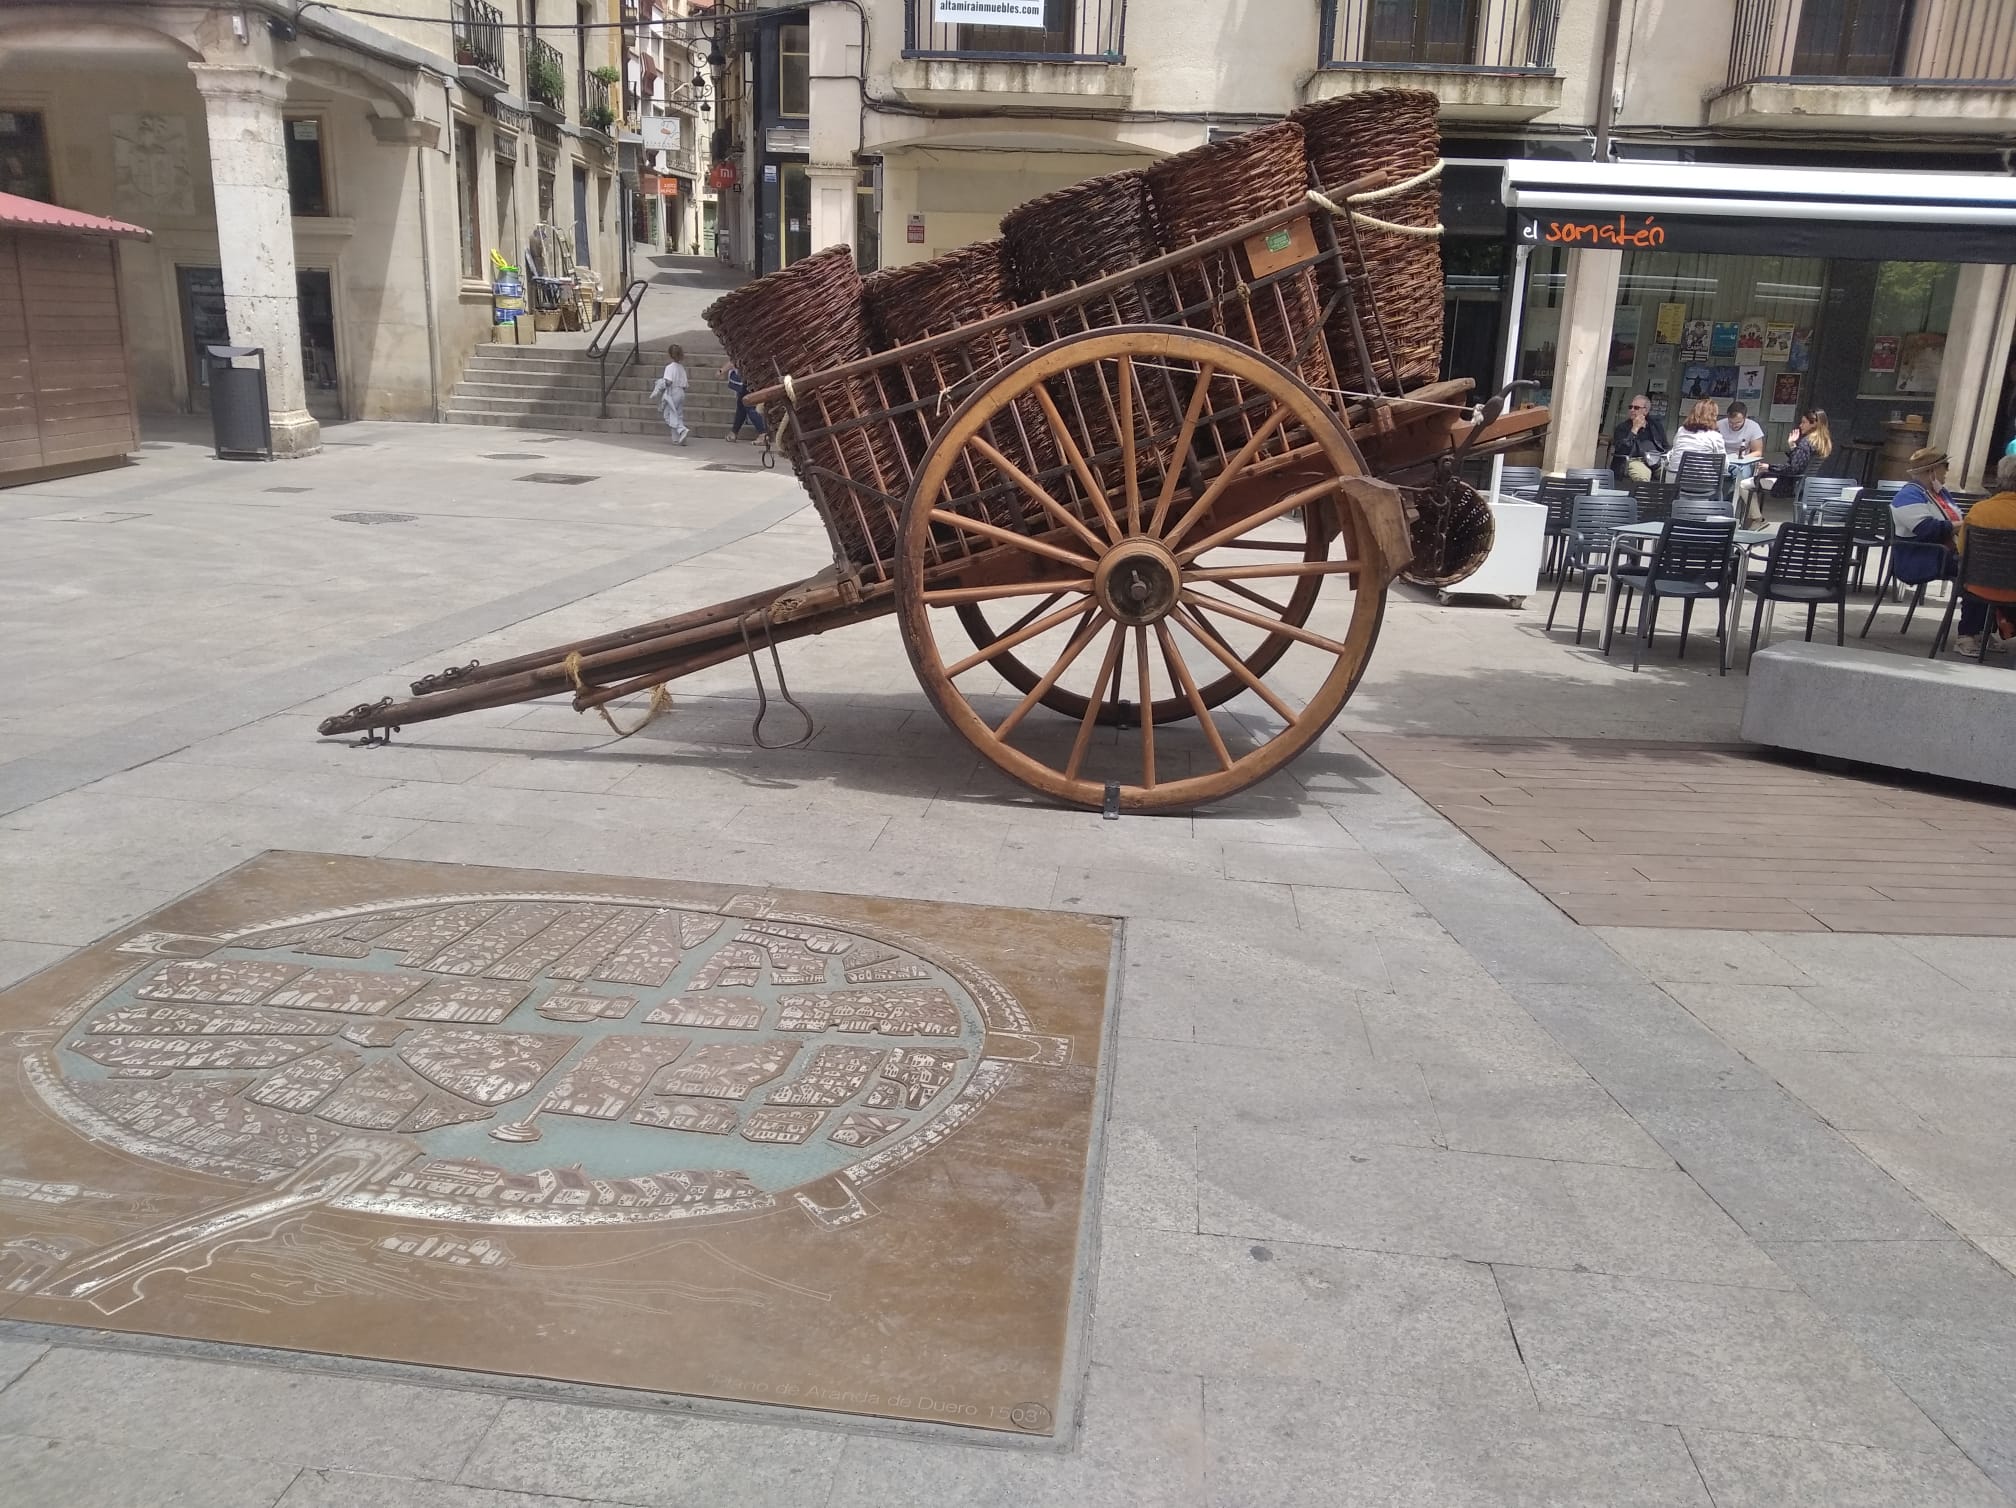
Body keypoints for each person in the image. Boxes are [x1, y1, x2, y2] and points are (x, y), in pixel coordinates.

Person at [1953, 451, 2016, 656]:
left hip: (1977, 587)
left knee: (1977, 577)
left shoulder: (1979, 510)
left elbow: (1962, 550)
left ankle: (1969, 635)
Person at [1735, 408, 1832, 527]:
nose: (1801, 425)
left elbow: (1793, 468)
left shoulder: (1806, 443)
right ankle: (1752, 519)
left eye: (1804, 422)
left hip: (1788, 484)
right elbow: (1800, 461)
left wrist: (1769, 467)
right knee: (1752, 482)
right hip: (1803, 484)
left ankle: (1757, 519)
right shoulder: (1822, 442)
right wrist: (1792, 445)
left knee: (1744, 485)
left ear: (1814, 424)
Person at [1609, 394, 1668, 484]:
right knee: (1643, 475)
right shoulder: (1622, 427)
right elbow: (1621, 449)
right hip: (1634, 459)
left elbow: (1664, 445)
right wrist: (1634, 429)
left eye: (1636, 408)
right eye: (1630, 407)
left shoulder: (1655, 426)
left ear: (1645, 411)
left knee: (1671, 474)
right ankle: (1642, 497)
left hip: (1655, 459)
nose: (1632, 410)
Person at [1665, 398, 1727, 479]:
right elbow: (1723, 466)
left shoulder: (1681, 431)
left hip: (1674, 483)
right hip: (1702, 485)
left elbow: (1674, 452)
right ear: (1713, 416)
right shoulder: (1715, 437)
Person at [1716, 400, 1766, 487]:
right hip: (1723, 459)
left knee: (1743, 474)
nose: (1734, 425)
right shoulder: (1719, 425)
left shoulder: (1753, 427)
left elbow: (1758, 452)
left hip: (1743, 461)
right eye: (1731, 422)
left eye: (1738, 422)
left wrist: (1741, 458)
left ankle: (1738, 497)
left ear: (1745, 417)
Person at [649, 343, 689, 445]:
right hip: (681, 392)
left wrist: (660, 384)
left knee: (668, 415)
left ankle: (681, 429)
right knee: (677, 414)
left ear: (670, 355)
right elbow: (685, 385)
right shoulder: (681, 368)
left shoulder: (669, 368)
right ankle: (676, 438)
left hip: (673, 392)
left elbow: (668, 381)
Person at [720, 359, 766, 443]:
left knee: (749, 406)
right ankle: (734, 432)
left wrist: (722, 370)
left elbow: (735, 360)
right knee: (741, 406)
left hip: (747, 377)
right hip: (749, 376)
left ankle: (763, 434)